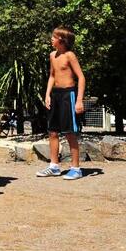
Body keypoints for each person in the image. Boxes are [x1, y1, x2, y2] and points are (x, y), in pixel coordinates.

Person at [36, 27, 86, 180]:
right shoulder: (52, 55)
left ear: (62, 40)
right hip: (55, 95)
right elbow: (52, 76)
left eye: (54, 36)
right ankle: (54, 166)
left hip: (68, 95)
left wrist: (78, 100)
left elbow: (81, 78)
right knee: (52, 131)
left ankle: (76, 168)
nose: (51, 39)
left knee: (69, 132)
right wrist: (47, 94)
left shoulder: (70, 56)